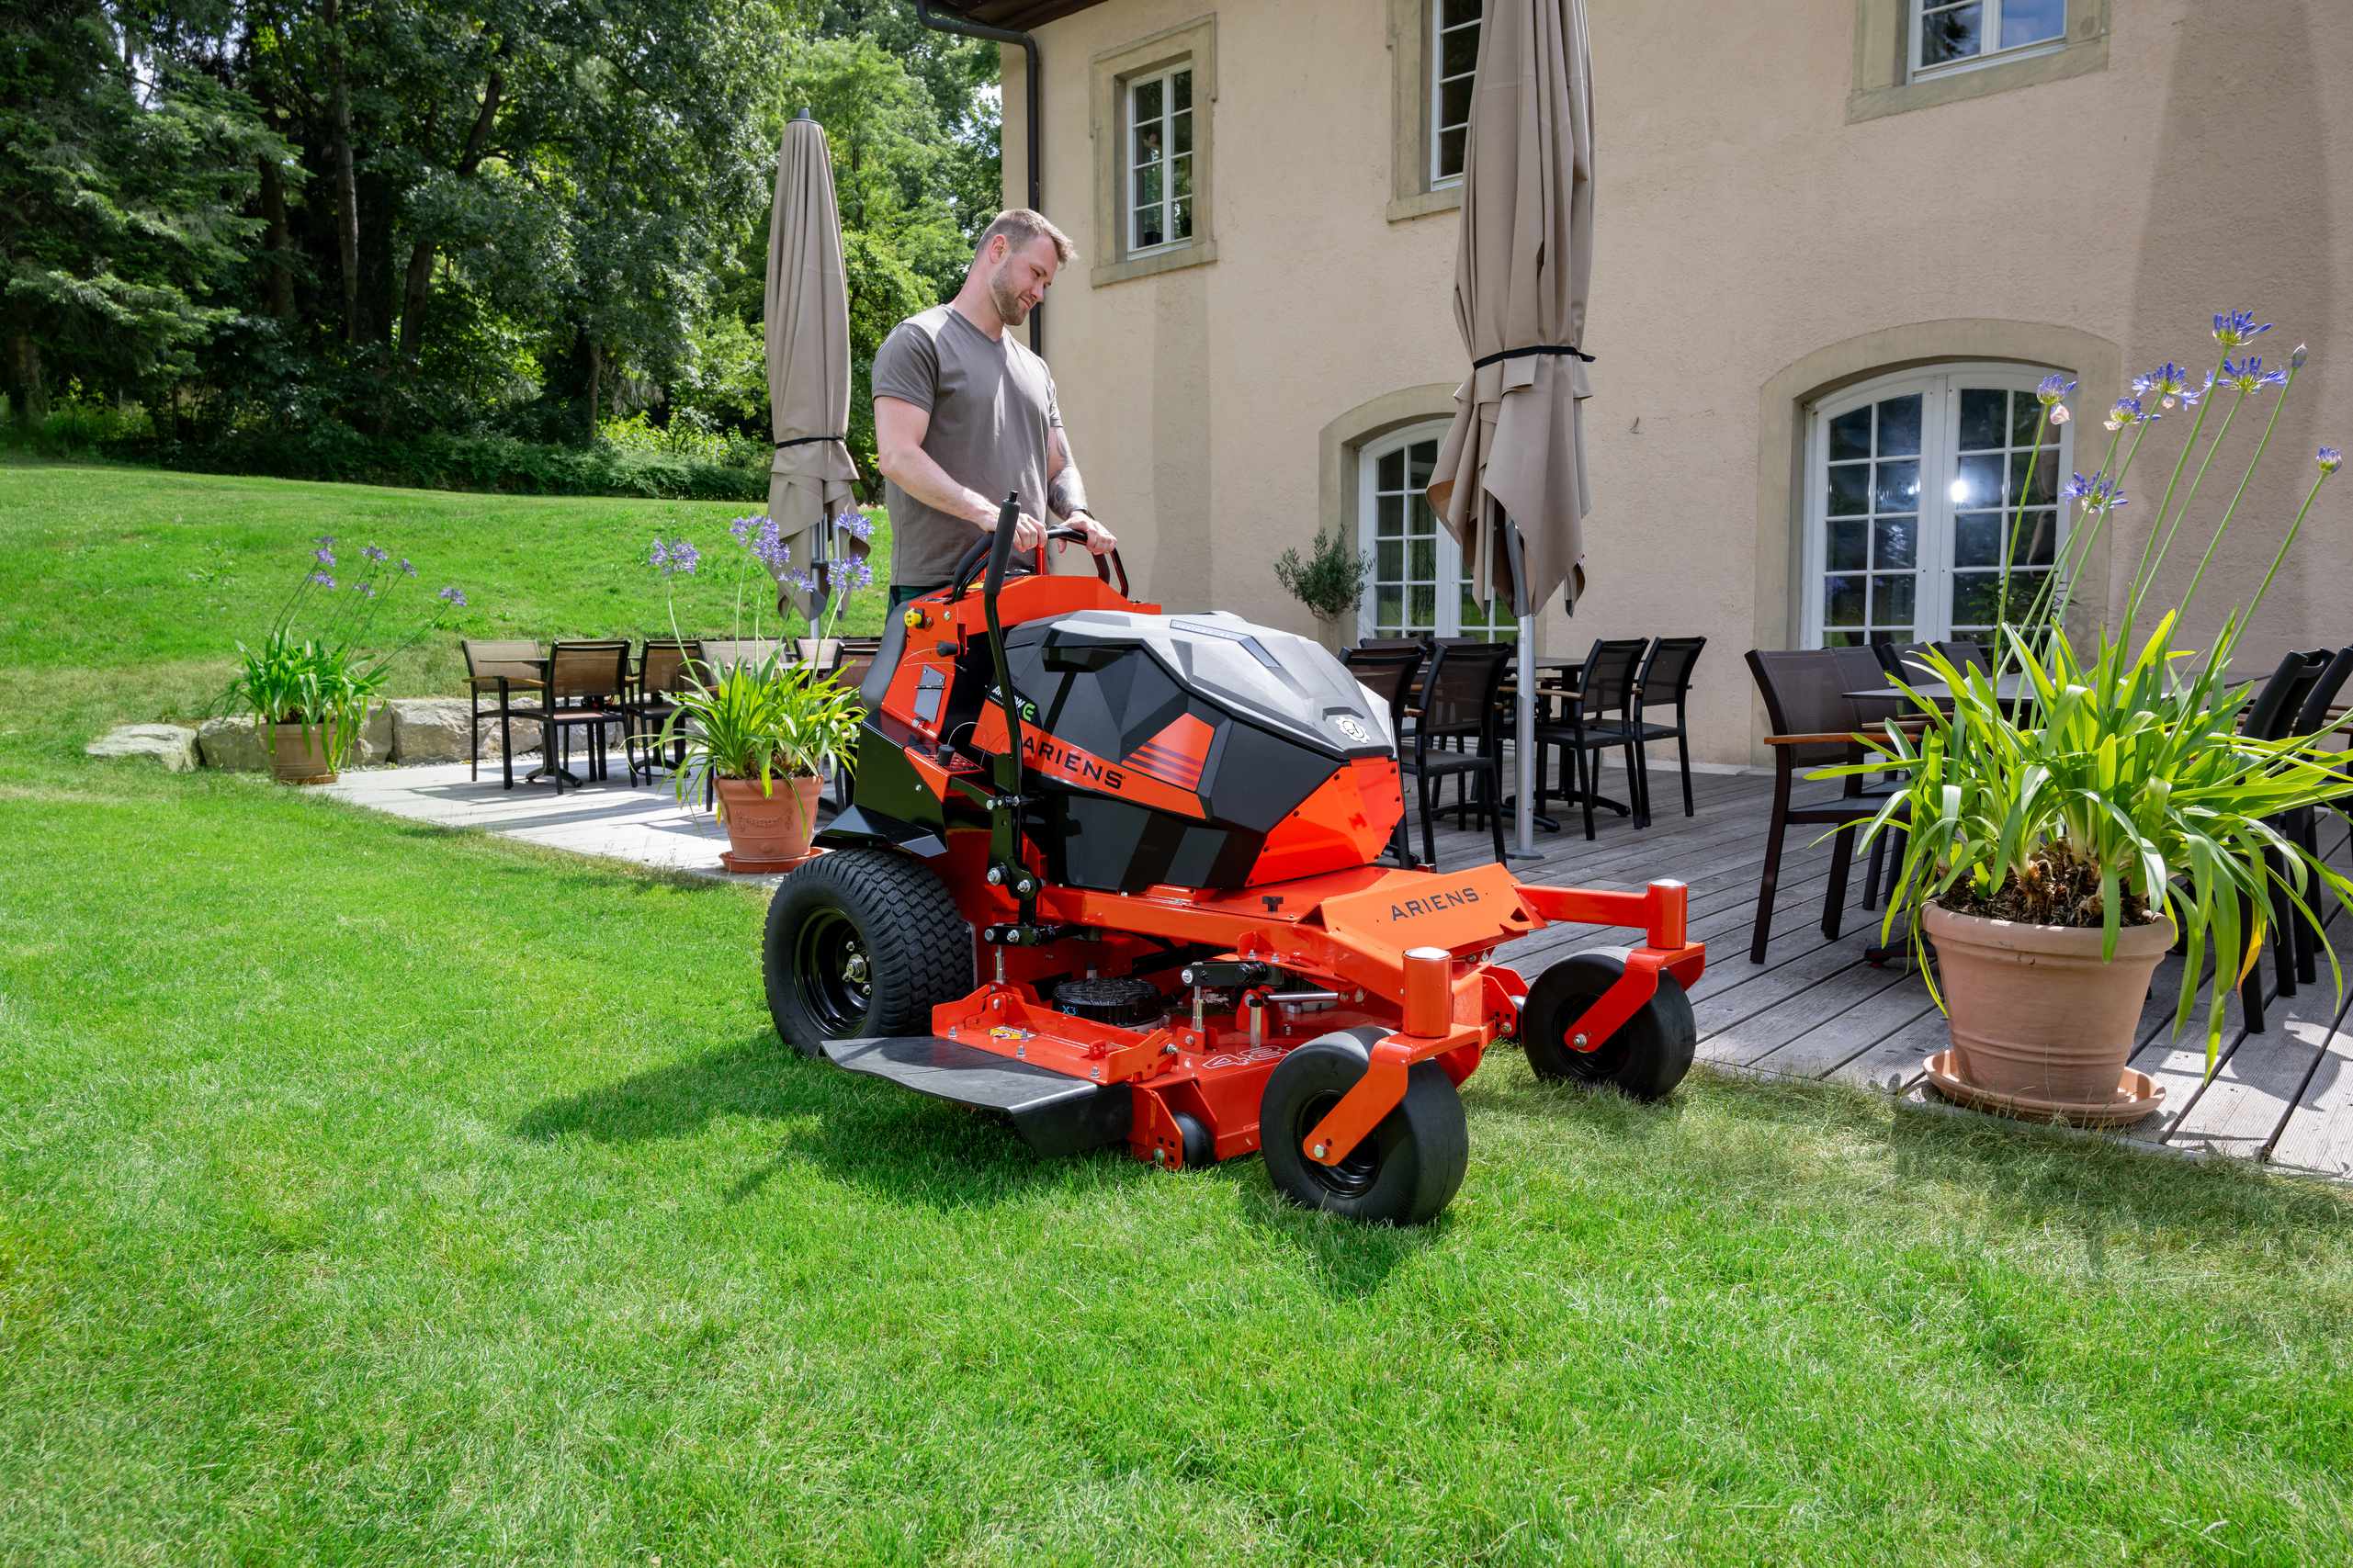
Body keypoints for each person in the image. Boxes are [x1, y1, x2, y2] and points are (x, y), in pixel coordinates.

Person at [870, 209, 1116, 612]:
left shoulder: (1036, 370)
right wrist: (988, 513)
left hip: (1026, 589)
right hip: (939, 591)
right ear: (998, 249)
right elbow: (898, 457)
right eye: (1035, 274)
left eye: (1046, 283)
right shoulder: (919, 341)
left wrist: (1078, 513)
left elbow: (1059, 467)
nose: (1039, 293)